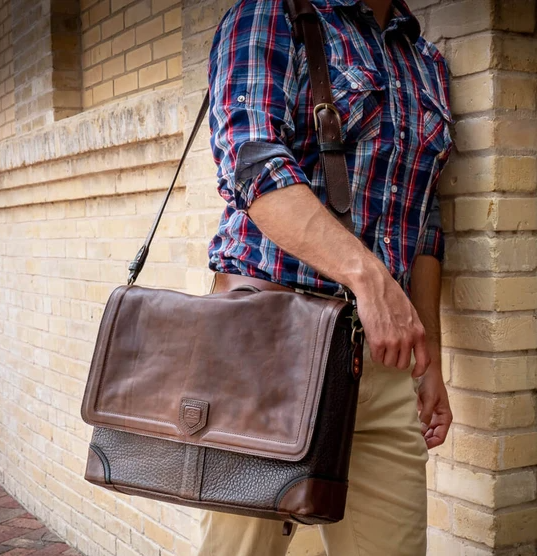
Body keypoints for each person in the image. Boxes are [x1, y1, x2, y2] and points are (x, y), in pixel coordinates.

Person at [199, 0, 453, 554]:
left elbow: (424, 216)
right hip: (270, 348)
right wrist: (369, 278)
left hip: (384, 363)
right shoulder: (272, 13)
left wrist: (428, 354)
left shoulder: (424, 60)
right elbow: (251, 159)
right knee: (244, 549)